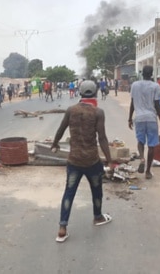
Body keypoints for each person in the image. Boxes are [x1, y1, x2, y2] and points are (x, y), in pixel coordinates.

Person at [51, 80, 114, 243]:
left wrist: (55, 143)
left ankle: (62, 228)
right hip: (92, 160)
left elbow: (60, 129)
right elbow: (103, 138)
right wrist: (110, 161)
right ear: (95, 93)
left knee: (69, 192)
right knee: (96, 189)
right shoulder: (98, 112)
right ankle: (98, 217)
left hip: (74, 160)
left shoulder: (71, 110)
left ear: (80, 92)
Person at [128, 65, 160, 180]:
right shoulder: (155, 86)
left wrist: (129, 118)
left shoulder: (134, 85)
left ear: (142, 73)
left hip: (139, 118)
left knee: (140, 141)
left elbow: (133, 103)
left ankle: (142, 158)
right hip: (151, 118)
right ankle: (148, 171)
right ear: (152, 74)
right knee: (152, 145)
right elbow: (157, 105)